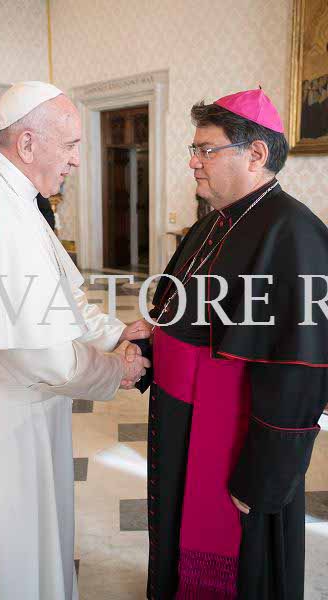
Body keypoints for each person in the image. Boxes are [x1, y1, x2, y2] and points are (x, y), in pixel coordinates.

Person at [0, 80, 151, 600]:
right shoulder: (0, 211)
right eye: (70, 145)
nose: (76, 160)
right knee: (12, 553)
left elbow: (56, 299)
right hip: (0, 413)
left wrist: (117, 331)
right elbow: (42, 352)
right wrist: (115, 369)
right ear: (27, 143)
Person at [144, 89, 328, 599]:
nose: (193, 162)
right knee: (176, 524)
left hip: (236, 436)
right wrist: (148, 341)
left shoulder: (296, 235)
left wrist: (267, 474)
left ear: (256, 154)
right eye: (195, 149)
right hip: (181, 416)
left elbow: (300, 373)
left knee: (242, 558)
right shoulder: (210, 224)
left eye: (206, 149)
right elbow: (179, 313)